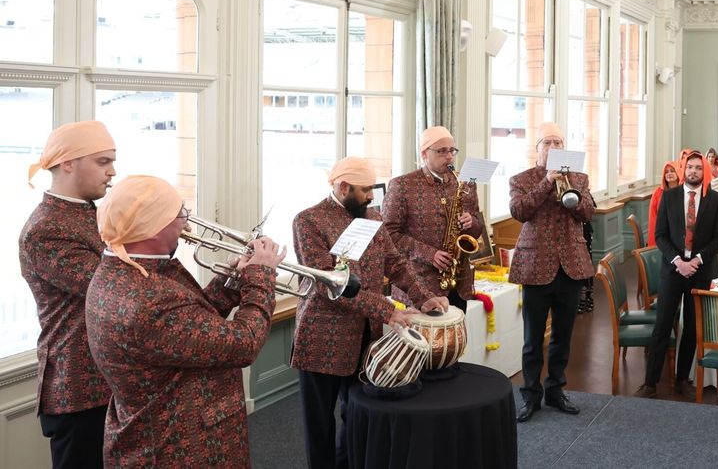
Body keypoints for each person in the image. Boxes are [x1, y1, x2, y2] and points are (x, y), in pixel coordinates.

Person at [85, 176, 281, 466]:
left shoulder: (119, 271)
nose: (187, 225)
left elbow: (191, 326)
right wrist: (262, 277)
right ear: (153, 228)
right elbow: (245, 343)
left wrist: (233, 280)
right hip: (182, 447)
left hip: (160, 434)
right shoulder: (149, 299)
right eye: (180, 215)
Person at [293, 158, 448, 469]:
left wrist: (425, 297)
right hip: (323, 338)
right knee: (320, 424)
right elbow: (329, 285)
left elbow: (395, 262)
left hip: (367, 336)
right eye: (365, 191)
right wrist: (387, 310)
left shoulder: (373, 215)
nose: (371, 197)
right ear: (342, 187)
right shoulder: (308, 221)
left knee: (359, 415)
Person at [19, 121, 116, 469]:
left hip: (108, 379)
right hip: (78, 389)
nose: (112, 171)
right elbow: (112, 290)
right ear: (68, 164)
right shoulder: (46, 229)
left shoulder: (94, 214)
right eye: (103, 162)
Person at [508, 122, 596, 422]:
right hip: (535, 268)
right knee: (533, 338)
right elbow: (520, 211)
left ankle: (556, 390)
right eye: (547, 142)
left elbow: (587, 213)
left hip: (570, 266)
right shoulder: (521, 179)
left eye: (558, 142)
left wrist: (571, 192)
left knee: (563, 335)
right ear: (537, 149)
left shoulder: (579, 178)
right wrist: (547, 182)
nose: (554, 147)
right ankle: (530, 396)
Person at [636, 151, 718, 399]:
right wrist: (678, 261)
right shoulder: (669, 197)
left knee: (691, 328)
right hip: (673, 270)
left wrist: (696, 260)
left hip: (699, 271)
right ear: (683, 170)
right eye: (690, 167)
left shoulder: (714, 199)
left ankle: (682, 379)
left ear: (704, 171)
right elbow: (660, 235)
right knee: (663, 325)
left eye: (698, 168)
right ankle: (650, 383)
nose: (693, 172)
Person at [384, 126, 484, 312]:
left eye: (452, 150)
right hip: (419, 284)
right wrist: (429, 254)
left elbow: (477, 229)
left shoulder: (464, 182)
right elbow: (388, 234)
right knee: (424, 341)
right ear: (424, 154)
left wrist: (472, 222)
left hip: (459, 282)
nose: (449, 157)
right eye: (441, 151)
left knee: (456, 340)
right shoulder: (402, 185)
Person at [649, 160, 681, 246]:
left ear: (678, 172)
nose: (669, 173)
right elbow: (653, 218)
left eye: (672, 171)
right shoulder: (657, 193)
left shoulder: (684, 191)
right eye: (666, 172)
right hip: (662, 232)